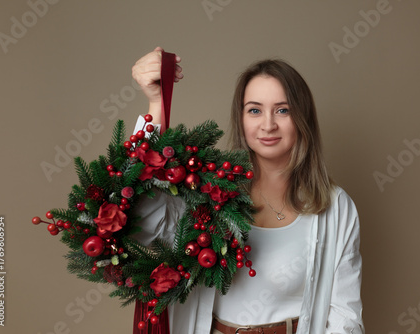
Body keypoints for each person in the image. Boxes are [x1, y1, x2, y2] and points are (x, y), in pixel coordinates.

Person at [131, 47, 364, 334]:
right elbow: (140, 221)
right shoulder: (206, 194)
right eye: (255, 110)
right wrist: (156, 104)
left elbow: (345, 317)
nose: (268, 124)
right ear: (241, 119)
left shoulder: (336, 208)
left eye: (283, 110)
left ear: (302, 119)